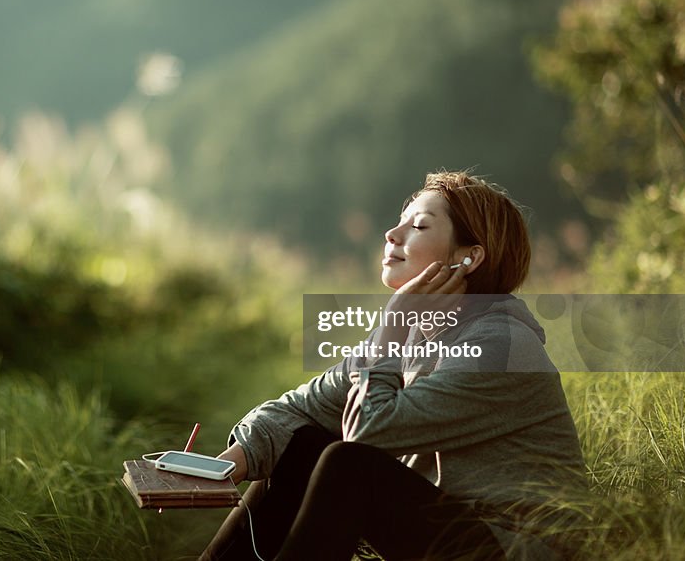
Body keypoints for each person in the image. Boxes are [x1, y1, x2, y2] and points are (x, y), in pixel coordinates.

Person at [199, 171, 588, 561]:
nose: (392, 234)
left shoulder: (500, 346)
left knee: (347, 464)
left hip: (513, 545)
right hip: (453, 530)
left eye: (418, 225)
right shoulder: (414, 334)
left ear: (467, 258)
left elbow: (367, 435)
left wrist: (393, 323)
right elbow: (304, 407)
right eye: (401, 221)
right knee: (305, 445)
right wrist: (215, 471)